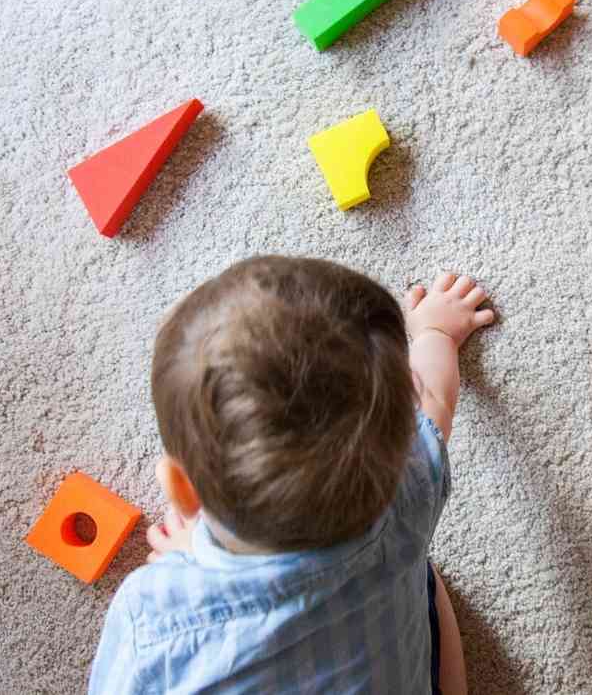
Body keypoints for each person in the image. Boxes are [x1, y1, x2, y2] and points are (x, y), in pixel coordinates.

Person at [89, 256, 494, 694]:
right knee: (430, 592)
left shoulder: (155, 619)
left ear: (182, 490)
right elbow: (435, 398)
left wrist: (190, 562)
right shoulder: (411, 482)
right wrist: (436, 332)